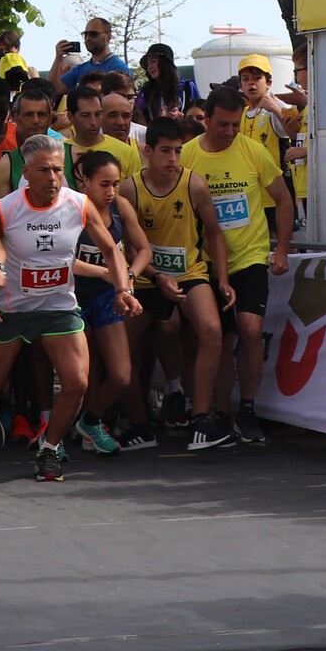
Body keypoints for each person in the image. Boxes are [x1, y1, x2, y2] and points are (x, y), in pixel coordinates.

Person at [0, 136, 124, 481]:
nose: (52, 177)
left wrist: (123, 289)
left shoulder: (79, 203)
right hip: (12, 309)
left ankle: (49, 448)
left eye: (58, 169)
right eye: (43, 170)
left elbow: (112, 250)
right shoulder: (6, 208)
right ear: (25, 172)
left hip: (59, 307)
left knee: (76, 382)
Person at [181, 83, 292, 443]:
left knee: (249, 330)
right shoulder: (187, 155)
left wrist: (282, 250)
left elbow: (283, 199)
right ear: (206, 120)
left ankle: (247, 407)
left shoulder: (253, 150)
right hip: (205, 264)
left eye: (235, 124)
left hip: (249, 258)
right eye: (223, 124)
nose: (230, 132)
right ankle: (218, 412)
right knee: (217, 337)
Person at [125, 117, 235, 450]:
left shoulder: (194, 184)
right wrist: (154, 276)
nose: (173, 159)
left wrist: (224, 279)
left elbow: (215, 232)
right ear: (148, 151)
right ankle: (139, 424)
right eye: (166, 152)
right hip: (147, 277)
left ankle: (200, 420)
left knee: (212, 331)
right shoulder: (129, 188)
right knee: (122, 352)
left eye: (177, 151)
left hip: (189, 273)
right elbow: (128, 244)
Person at [67, 148, 149, 456]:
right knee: (79, 375)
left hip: (106, 296)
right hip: (72, 295)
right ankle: (56, 436)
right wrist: (105, 271)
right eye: (104, 184)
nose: (111, 191)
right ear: (85, 181)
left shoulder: (121, 207)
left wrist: (125, 278)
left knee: (121, 375)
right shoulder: (72, 208)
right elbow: (62, 260)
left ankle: (90, 421)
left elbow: (143, 250)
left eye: (115, 183)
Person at [135, 43, 197, 124]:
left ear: (165, 63)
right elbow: (136, 114)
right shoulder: (146, 91)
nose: (149, 67)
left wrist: (179, 116)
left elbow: (199, 117)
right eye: (148, 64)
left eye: (153, 61)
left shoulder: (187, 87)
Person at [58, 18, 126, 91]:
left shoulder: (119, 68)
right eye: (86, 34)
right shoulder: (80, 69)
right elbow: (54, 89)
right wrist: (58, 58)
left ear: (108, 37)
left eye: (93, 34)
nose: (88, 38)